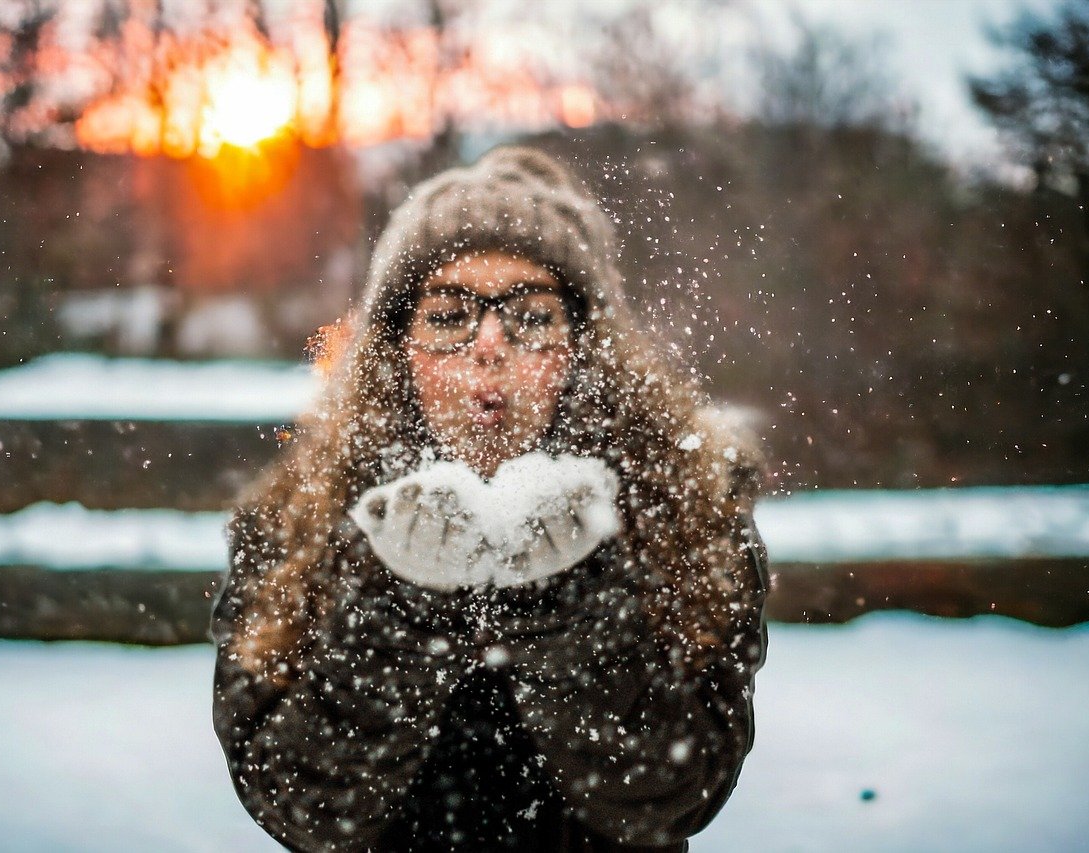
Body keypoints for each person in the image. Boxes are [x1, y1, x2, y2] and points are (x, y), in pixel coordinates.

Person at [211, 146, 768, 852]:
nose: (489, 343)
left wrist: (570, 603)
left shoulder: (686, 505)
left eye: (531, 315)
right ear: (396, 344)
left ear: (585, 345)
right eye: (448, 315)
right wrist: (401, 612)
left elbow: (676, 792)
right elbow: (298, 801)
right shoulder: (300, 515)